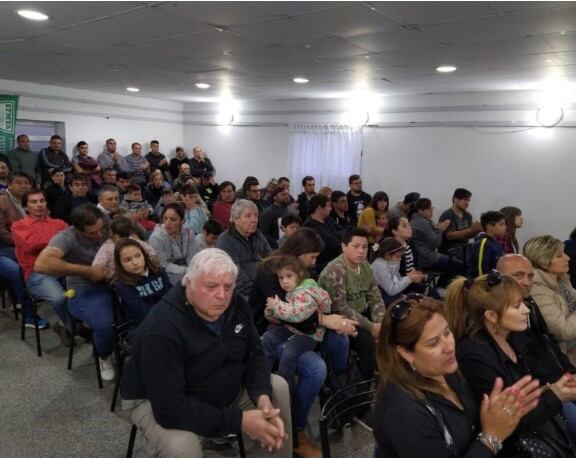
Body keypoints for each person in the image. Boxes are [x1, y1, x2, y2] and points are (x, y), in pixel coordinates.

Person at [120, 248, 292, 458]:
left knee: (277, 388)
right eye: (211, 286)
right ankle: (217, 427)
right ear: (189, 284)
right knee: (181, 446)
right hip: (156, 399)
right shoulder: (161, 329)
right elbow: (169, 409)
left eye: (228, 286)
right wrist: (238, 420)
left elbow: (255, 355)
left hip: (216, 378)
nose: (221, 295)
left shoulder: (236, 304)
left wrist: (261, 395)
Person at [374, 294, 539, 457]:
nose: (449, 347)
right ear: (406, 353)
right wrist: (492, 437)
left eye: (447, 333)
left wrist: (495, 415)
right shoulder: (404, 411)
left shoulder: (446, 372)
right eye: (433, 343)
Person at [249, 227, 358, 456]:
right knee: (316, 369)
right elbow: (290, 315)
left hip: (301, 328)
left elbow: (314, 300)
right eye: (312, 256)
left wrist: (341, 322)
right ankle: (296, 429)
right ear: (300, 253)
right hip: (276, 330)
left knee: (341, 339)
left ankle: (336, 393)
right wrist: (327, 319)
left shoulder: (303, 272)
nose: (314, 261)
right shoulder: (272, 272)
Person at [446, 272, 576, 456]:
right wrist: (555, 395)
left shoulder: (513, 336)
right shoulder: (473, 356)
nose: (526, 310)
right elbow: (505, 422)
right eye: (516, 306)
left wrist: (554, 388)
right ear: (491, 316)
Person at [34, 204, 115, 380]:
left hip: (113, 281)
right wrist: (87, 271)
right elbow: (41, 264)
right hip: (84, 289)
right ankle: (104, 356)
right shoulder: (66, 237)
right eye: (92, 233)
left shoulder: (104, 222)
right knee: (105, 325)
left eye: (101, 229)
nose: (99, 235)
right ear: (78, 230)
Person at [498, 254, 576, 436]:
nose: (526, 282)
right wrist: (557, 387)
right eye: (518, 275)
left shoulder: (530, 303)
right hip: (544, 393)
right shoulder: (506, 319)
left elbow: (549, 343)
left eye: (530, 276)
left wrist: (570, 372)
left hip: (559, 379)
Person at [319, 227, 386, 380]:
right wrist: (371, 327)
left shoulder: (366, 267)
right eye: (356, 246)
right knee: (367, 345)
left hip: (360, 314)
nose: (361, 251)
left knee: (391, 330)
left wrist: (380, 324)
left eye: (364, 247)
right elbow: (340, 307)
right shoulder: (335, 270)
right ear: (344, 247)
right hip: (338, 320)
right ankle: (363, 387)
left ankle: (385, 377)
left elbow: (375, 298)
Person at [262, 255, 331, 393]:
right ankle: (263, 377)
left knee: (289, 353)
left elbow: (297, 315)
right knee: (267, 339)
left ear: (299, 275)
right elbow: (283, 316)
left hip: (309, 335)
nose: (285, 281)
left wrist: (277, 307)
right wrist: (270, 311)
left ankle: (285, 389)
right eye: (281, 278)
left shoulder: (305, 292)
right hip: (292, 328)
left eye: (289, 276)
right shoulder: (293, 291)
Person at [12, 188, 69, 336]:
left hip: (63, 268)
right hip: (37, 272)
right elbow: (31, 245)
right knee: (60, 299)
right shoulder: (19, 226)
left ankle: (65, 323)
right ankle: (73, 327)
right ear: (25, 206)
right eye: (34, 202)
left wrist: (55, 240)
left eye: (42, 201)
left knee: (88, 287)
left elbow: (70, 241)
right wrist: (58, 239)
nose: (39, 205)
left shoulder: (58, 223)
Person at [524, 235, 576, 364]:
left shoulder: (561, 279)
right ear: (544, 261)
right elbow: (563, 331)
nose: (567, 258)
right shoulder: (537, 289)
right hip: (562, 354)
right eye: (559, 256)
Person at [216, 199, 271, 301]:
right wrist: (255, 294)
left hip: (262, 288)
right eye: (248, 216)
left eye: (256, 215)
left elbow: (270, 261)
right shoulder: (225, 240)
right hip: (240, 293)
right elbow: (234, 274)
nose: (254, 220)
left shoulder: (258, 236)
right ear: (236, 219)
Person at [113, 238, 171, 330]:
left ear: (144, 255)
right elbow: (142, 313)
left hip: (169, 317)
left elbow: (172, 296)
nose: (135, 263)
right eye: (128, 260)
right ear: (120, 264)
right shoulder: (122, 285)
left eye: (138, 256)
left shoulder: (158, 270)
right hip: (144, 326)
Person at [0, 172, 34, 323]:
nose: (23, 186)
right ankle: (29, 314)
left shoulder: (30, 201)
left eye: (26, 182)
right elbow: (1, 231)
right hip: (5, 246)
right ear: (9, 184)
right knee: (17, 270)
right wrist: (22, 243)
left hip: (27, 243)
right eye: (19, 183)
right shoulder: (2, 201)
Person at [410, 198, 462, 279]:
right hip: (427, 258)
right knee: (460, 265)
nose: (431, 210)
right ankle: (444, 285)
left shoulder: (418, 220)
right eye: (428, 208)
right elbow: (436, 243)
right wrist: (440, 230)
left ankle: (443, 285)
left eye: (431, 208)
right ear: (420, 211)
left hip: (423, 256)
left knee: (453, 261)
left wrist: (436, 229)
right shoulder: (422, 222)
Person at [148, 202, 199, 285]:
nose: (167, 223)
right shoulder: (156, 237)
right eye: (165, 218)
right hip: (166, 273)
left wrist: (193, 271)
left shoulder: (189, 233)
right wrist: (186, 270)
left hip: (187, 269)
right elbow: (163, 265)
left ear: (182, 221)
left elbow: (193, 258)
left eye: (173, 219)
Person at [92, 216, 156, 281]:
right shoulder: (106, 248)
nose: (124, 241)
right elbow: (96, 268)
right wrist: (109, 274)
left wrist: (152, 258)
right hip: (121, 280)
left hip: (139, 274)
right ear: (111, 232)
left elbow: (148, 249)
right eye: (120, 238)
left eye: (127, 237)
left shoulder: (132, 240)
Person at [371, 237, 425, 304]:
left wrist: (410, 276)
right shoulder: (380, 266)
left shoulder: (392, 261)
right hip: (382, 299)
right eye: (397, 256)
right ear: (387, 255)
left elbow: (396, 280)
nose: (400, 259)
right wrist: (409, 279)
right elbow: (391, 291)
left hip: (391, 295)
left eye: (400, 256)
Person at [438, 187, 482, 261]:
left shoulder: (468, 215)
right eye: (465, 200)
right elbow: (450, 236)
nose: (467, 203)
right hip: (450, 251)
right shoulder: (447, 215)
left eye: (468, 200)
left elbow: (469, 235)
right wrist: (471, 229)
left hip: (464, 249)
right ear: (455, 199)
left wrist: (477, 230)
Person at [303, 194, 343, 273]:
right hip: (322, 266)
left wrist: (333, 235)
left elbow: (344, 231)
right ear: (319, 208)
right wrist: (336, 235)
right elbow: (332, 243)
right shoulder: (310, 225)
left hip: (335, 263)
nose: (331, 209)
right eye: (328, 206)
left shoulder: (328, 219)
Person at [467, 210, 506, 278]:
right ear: (489, 226)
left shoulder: (496, 242)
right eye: (501, 224)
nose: (505, 227)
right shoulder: (483, 244)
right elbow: (481, 271)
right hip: (482, 285)